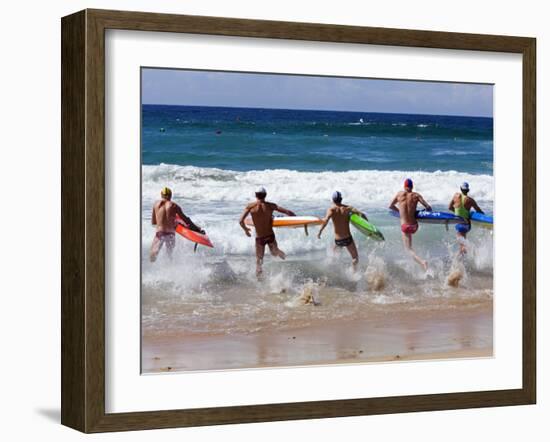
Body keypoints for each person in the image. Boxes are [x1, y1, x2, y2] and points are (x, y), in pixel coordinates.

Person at [239, 187, 296, 277]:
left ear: (255, 195)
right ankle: (286, 259)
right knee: (275, 253)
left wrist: (246, 230)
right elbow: (287, 212)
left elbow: (241, 221)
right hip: (270, 236)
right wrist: (297, 221)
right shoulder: (271, 206)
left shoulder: (250, 207)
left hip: (259, 238)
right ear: (265, 195)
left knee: (259, 261)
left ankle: (260, 282)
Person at [150, 187, 204, 262]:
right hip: (170, 234)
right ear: (171, 195)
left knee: (153, 255)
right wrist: (196, 228)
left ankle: (150, 270)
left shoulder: (156, 204)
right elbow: (186, 219)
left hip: (160, 233)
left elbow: (153, 222)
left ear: (161, 195)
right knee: (169, 255)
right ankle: (170, 270)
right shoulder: (174, 206)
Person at [389, 178, 432, 271]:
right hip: (414, 226)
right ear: (412, 187)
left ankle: (422, 262)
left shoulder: (399, 194)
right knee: (410, 246)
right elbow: (428, 208)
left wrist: (400, 212)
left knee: (408, 250)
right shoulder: (416, 195)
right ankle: (414, 267)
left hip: (405, 227)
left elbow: (390, 206)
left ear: (404, 186)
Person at [317, 191, 366, 271]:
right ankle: (354, 273)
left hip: (338, 240)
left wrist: (320, 232)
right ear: (341, 199)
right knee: (355, 258)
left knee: (333, 256)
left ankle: (331, 271)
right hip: (348, 239)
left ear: (333, 200)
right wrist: (367, 226)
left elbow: (325, 221)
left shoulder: (331, 210)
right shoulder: (348, 208)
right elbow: (362, 215)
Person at [448, 182, 484, 255]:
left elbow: (449, 207)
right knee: (462, 246)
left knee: (462, 245)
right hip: (466, 225)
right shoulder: (470, 200)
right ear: (468, 190)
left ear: (460, 188)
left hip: (458, 224)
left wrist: (457, 212)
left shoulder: (455, 196)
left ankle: (459, 261)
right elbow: (479, 211)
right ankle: (469, 254)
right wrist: (485, 218)